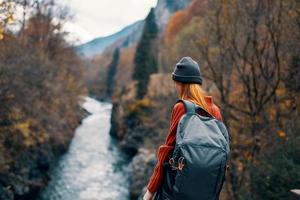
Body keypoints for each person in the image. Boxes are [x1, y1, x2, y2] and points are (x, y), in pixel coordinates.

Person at [143, 57, 223, 200]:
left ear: (180, 83)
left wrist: (150, 191)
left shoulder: (182, 107)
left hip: (178, 188)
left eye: (176, 83)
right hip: (206, 190)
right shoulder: (214, 110)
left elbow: (168, 150)